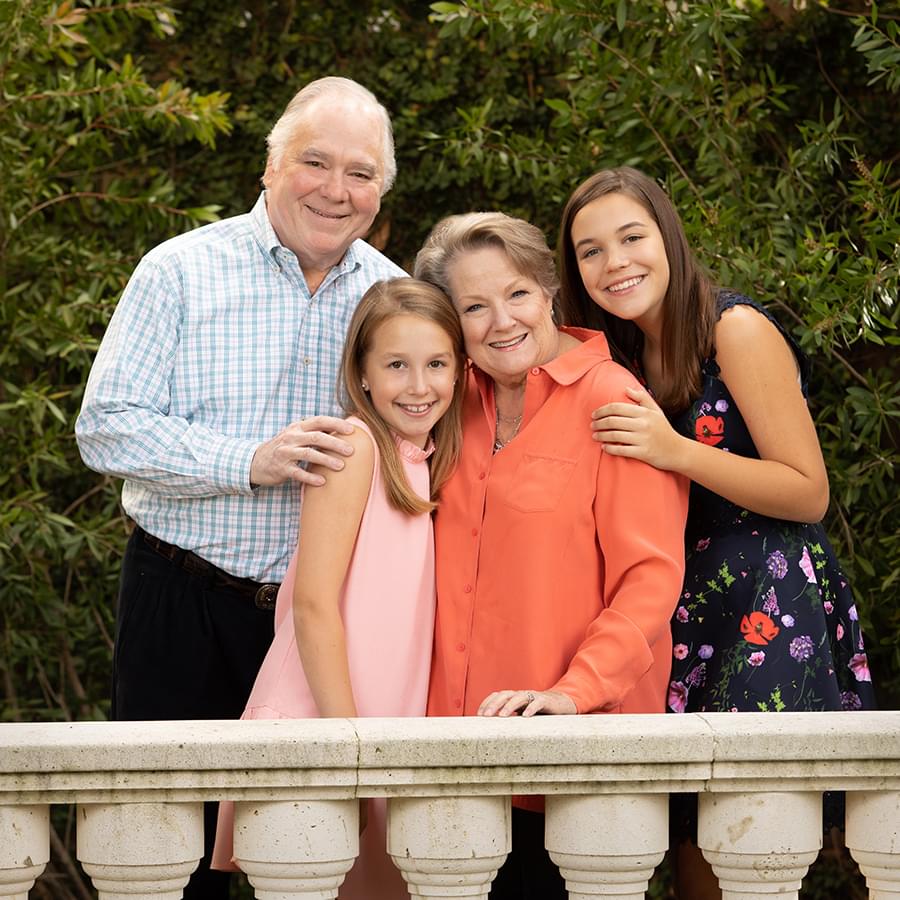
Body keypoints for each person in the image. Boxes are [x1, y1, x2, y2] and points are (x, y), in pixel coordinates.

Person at [74, 76, 406, 898]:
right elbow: (105, 427)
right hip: (179, 598)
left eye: (360, 173)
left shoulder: (390, 297)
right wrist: (248, 460)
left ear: (382, 191)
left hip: (318, 624)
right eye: (315, 162)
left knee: (314, 860)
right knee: (165, 853)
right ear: (270, 166)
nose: (335, 190)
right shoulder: (180, 271)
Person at [558, 166, 876, 898]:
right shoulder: (618, 353)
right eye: (591, 250)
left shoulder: (733, 330)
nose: (615, 262)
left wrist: (674, 451)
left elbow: (808, 491)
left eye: (631, 238)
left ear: (668, 237)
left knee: (751, 830)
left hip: (768, 597)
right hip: (681, 603)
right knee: (691, 837)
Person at [414, 212, 689, 900]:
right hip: (456, 749)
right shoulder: (448, 402)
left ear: (549, 292)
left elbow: (650, 579)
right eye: (474, 307)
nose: (501, 321)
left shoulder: (611, 398)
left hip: (574, 745)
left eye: (517, 294)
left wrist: (573, 693)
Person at [211, 278, 465, 898]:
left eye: (436, 364)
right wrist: (347, 749)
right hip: (325, 720)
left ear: (460, 371)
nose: (419, 385)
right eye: (396, 365)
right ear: (363, 374)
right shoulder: (355, 447)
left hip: (378, 724)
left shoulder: (423, 458)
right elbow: (313, 603)